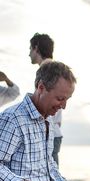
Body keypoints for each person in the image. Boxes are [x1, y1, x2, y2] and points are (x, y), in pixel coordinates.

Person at [29, 32, 63, 166]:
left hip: (48, 132)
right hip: (53, 131)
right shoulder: (56, 69)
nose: (29, 54)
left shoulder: (46, 70)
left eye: (30, 49)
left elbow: (39, 105)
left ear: (36, 48)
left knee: (47, 179)